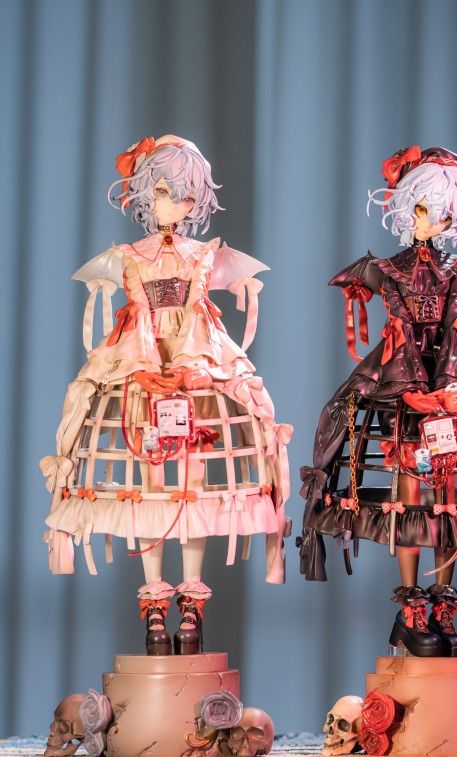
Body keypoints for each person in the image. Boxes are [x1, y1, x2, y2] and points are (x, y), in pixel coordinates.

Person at [41, 135, 291, 655]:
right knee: (148, 477)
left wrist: (189, 368)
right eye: (162, 193)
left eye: (184, 196)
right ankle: (154, 601)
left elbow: (198, 315)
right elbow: (137, 316)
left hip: (196, 360)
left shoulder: (205, 255)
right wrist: (146, 366)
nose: (173, 205)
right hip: (141, 359)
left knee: (193, 478)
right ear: (142, 195)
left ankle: (192, 602)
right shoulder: (130, 257)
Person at [298, 146, 457, 657]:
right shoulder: (385, 269)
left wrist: (454, 384)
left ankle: (442, 603)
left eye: (443, 212)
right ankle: (410, 608)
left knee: (452, 489)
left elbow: (455, 324)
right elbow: (399, 326)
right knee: (406, 489)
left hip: (451, 370)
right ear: (407, 205)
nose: (431, 220)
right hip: (398, 374)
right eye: (424, 207)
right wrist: (408, 386)